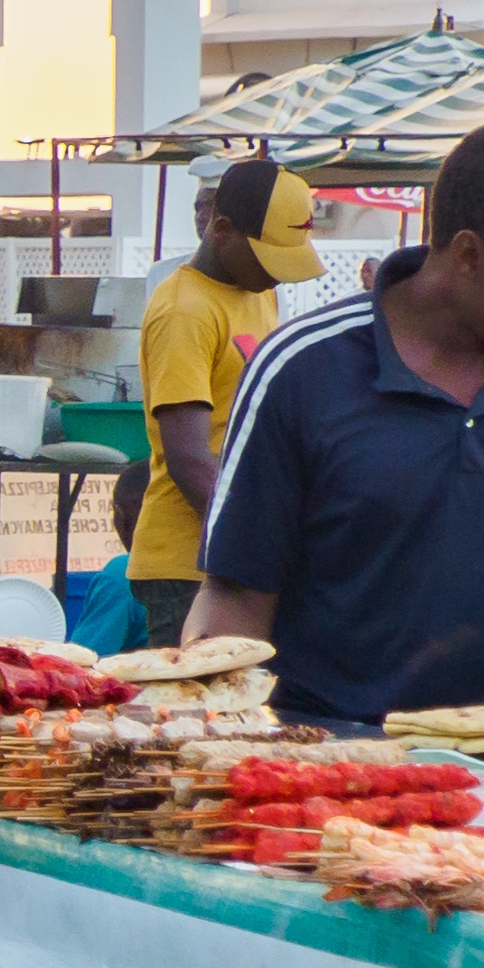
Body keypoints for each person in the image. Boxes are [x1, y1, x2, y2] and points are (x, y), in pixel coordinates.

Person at [188, 115, 484, 729]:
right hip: (333, 761)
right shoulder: (302, 371)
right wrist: (219, 748)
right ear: (468, 254)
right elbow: (236, 600)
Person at [125, 153, 323, 646]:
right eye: (267, 258)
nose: (276, 275)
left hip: (238, 555)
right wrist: (263, 544)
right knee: (196, 717)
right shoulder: (184, 311)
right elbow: (190, 459)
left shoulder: (257, 289)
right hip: (189, 568)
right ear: (222, 229)